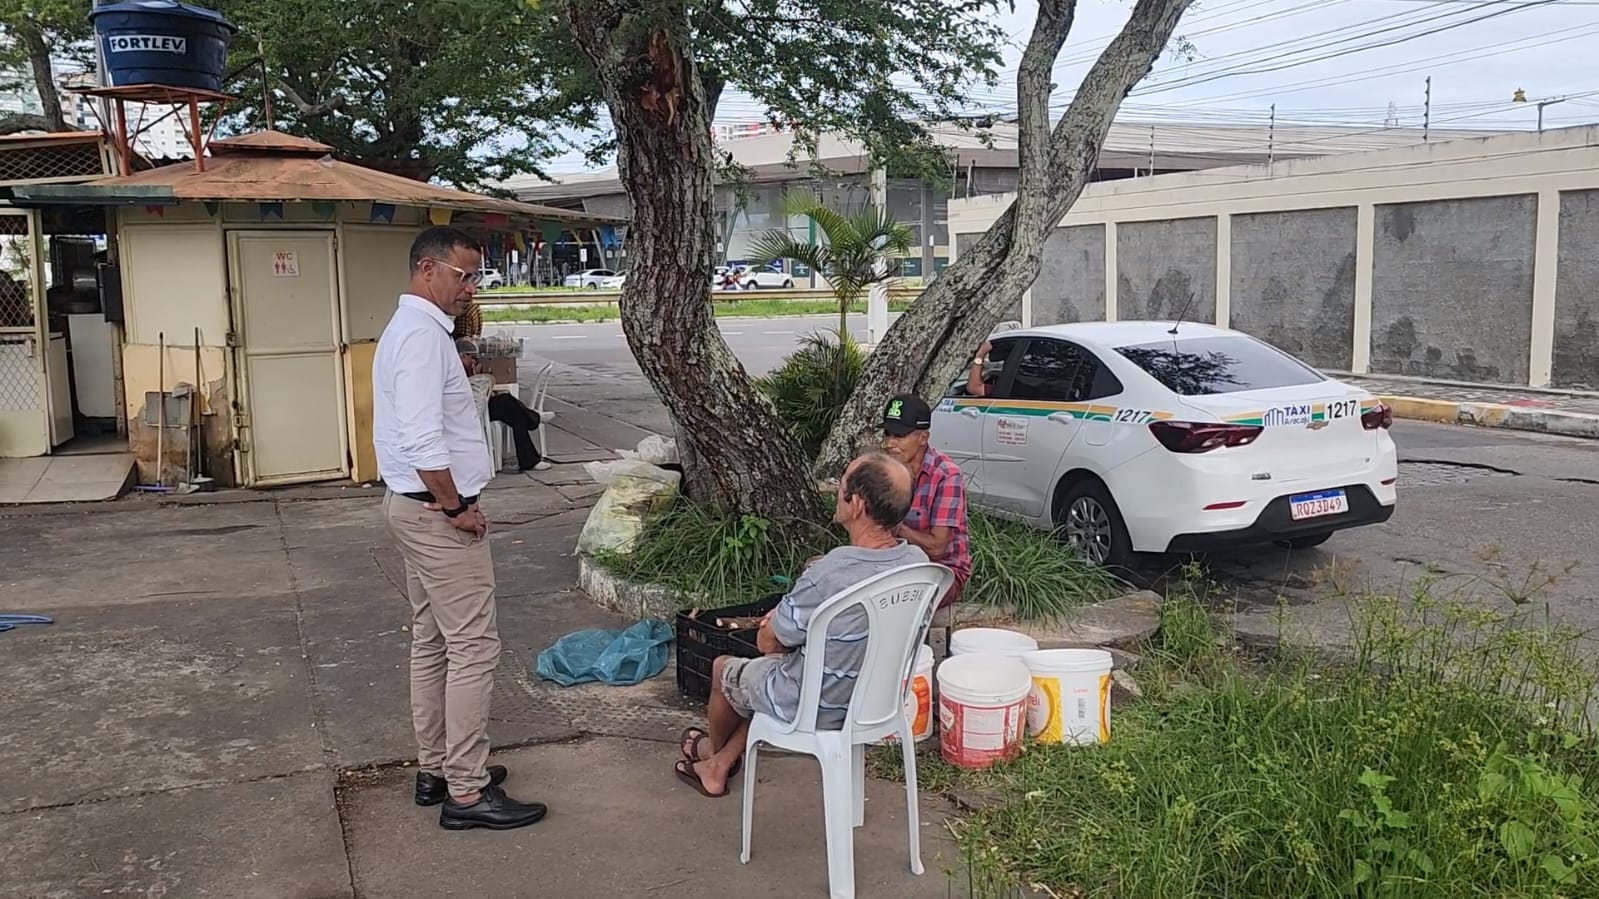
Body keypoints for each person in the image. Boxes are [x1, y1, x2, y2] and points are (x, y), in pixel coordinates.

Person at [372, 226, 547, 831]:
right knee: (473, 647)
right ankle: (467, 793)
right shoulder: (421, 337)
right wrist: (456, 509)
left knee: (433, 638)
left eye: (475, 277)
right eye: (462, 275)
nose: (469, 288)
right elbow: (424, 441)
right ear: (427, 269)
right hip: (433, 511)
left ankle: (438, 768)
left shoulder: (416, 332)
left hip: (411, 506)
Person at [673, 452, 925, 799]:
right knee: (773, 675)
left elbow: (769, 643)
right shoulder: (918, 565)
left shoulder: (829, 574)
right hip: (877, 701)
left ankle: (715, 765)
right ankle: (720, 759)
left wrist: (776, 620)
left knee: (724, 670)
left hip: (816, 705)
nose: (837, 492)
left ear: (857, 505)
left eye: (842, 487)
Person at [881, 394, 972, 608]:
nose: (890, 444)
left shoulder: (947, 475)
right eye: (887, 434)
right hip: (896, 565)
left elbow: (937, 548)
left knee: (890, 600)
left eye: (900, 436)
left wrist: (896, 528)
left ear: (923, 437)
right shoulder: (885, 469)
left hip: (942, 572)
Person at [456, 338, 551, 472]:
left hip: (479, 407)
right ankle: (534, 418)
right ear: (462, 355)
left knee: (516, 416)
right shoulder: (455, 370)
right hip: (467, 411)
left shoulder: (469, 368)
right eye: (472, 357)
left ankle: (529, 459)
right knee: (508, 401)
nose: (474, 361)